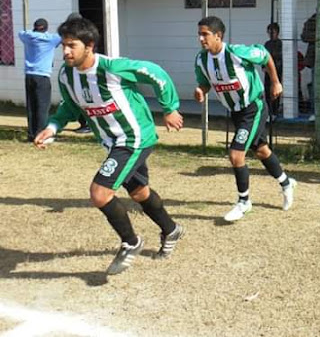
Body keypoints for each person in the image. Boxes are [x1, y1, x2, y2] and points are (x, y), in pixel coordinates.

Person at [33, 17, 185, 275]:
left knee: (100, 193)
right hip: (110, 142)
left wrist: (170, 108)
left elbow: (156, 73)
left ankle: (130, 242)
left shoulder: (113, 68)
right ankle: (172, 230)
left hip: (134, 138)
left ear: (89, 45)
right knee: (139, 193)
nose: (66, 51)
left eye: (72, 46)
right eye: (63, 46)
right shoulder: (66, 75)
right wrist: (53, 127)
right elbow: (70, 106)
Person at [194, 16, 296, 222]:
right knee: (261, 150)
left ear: (218, 36)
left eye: (205, 34)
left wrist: (275, 82)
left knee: (236, 155)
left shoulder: (237, 53)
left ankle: (244, 202)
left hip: (253, 106)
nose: (201, 39)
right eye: (199, 34)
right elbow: (205, 82)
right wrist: (201, 90)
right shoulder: (201, 59)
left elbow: (265, 55)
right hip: (236, 112)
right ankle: (286, 183)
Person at [18, 18, 61, 141]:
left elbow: (21, 33)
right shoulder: (51, 39)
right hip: (42, 76)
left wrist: (32, 31)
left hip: (29, 75)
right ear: (46, 28)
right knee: (42, 106)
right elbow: (61, 36)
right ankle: (40, 134)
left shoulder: (27, 37)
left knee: (31, 106)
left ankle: (31, 134)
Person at [264, 22, 283, 120]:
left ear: (277, 32)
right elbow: (264, 57)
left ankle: (274, 112)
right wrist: (264, 67)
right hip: (267, 72)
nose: (271, 34)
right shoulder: (267, 44)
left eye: (273, 32)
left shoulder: (280, 44)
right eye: (269, 32)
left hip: (277, 72)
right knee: (267, 91)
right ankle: (268, 112)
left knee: (275, 92)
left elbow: (280, 59)